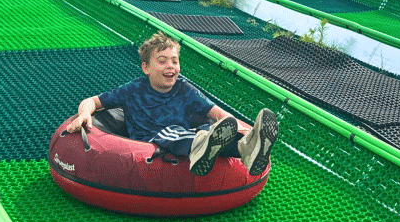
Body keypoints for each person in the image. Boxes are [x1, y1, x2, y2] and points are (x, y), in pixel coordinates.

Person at [67, 32, 278, 176]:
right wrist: (84, 115)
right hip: (150, 143)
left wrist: (245, 131)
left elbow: (220, 116)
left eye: (175, 61)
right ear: (146, 67)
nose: (171, 66)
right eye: (162, 61)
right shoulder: (133, 90)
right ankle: (204, 146)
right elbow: (92, 101)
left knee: (211, 130)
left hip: (186, 137)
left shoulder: (185, 90)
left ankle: (248, 148)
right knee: (171, 133)